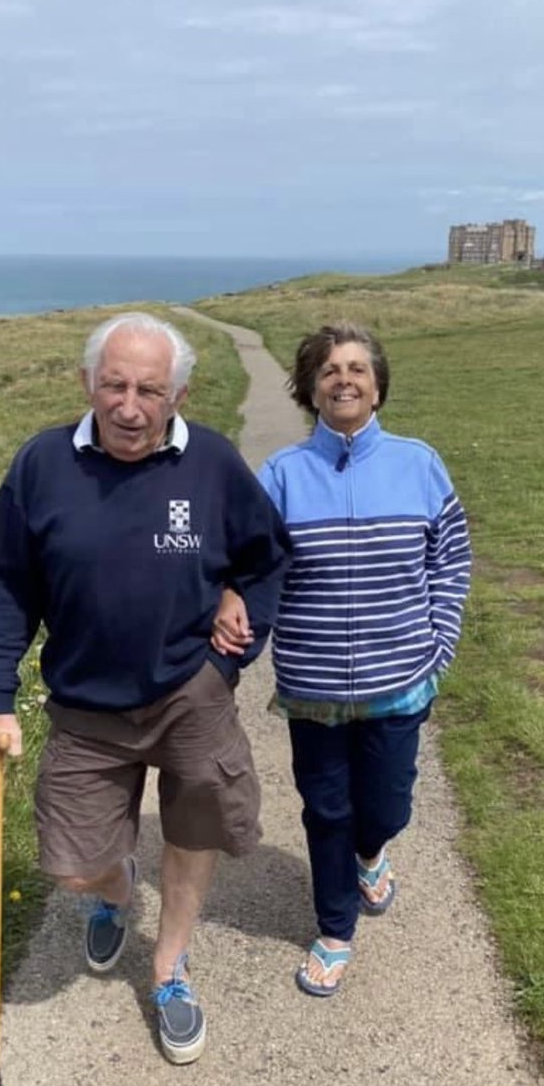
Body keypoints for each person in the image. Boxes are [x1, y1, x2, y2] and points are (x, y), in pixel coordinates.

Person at [0, 311, 291, 1063]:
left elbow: (267, 555)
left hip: (189, 691)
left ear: (179, 393)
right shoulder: (42, 464)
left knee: (197, 828)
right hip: (85, 705)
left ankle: (169, 966)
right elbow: (3, 586)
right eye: (113, 384)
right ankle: (117, 892)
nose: (129, 405)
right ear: (87, 384)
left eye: (149, 388)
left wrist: (239, 614)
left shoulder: (209, 463)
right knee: (71, 863)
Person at [212, 321, 471, 996]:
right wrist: (231, 607)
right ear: (308, 389)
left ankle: (373, 851)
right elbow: (251, 566)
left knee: (384, 808)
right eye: (328, 370)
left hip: (400, 680)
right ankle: (333, 929)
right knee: (324, 809)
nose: (344, 379)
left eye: (357, 368)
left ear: (378, 386)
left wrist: (438, 641)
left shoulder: (418, 462)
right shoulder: (282, 476)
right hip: (313, 688)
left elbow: (450, 559)